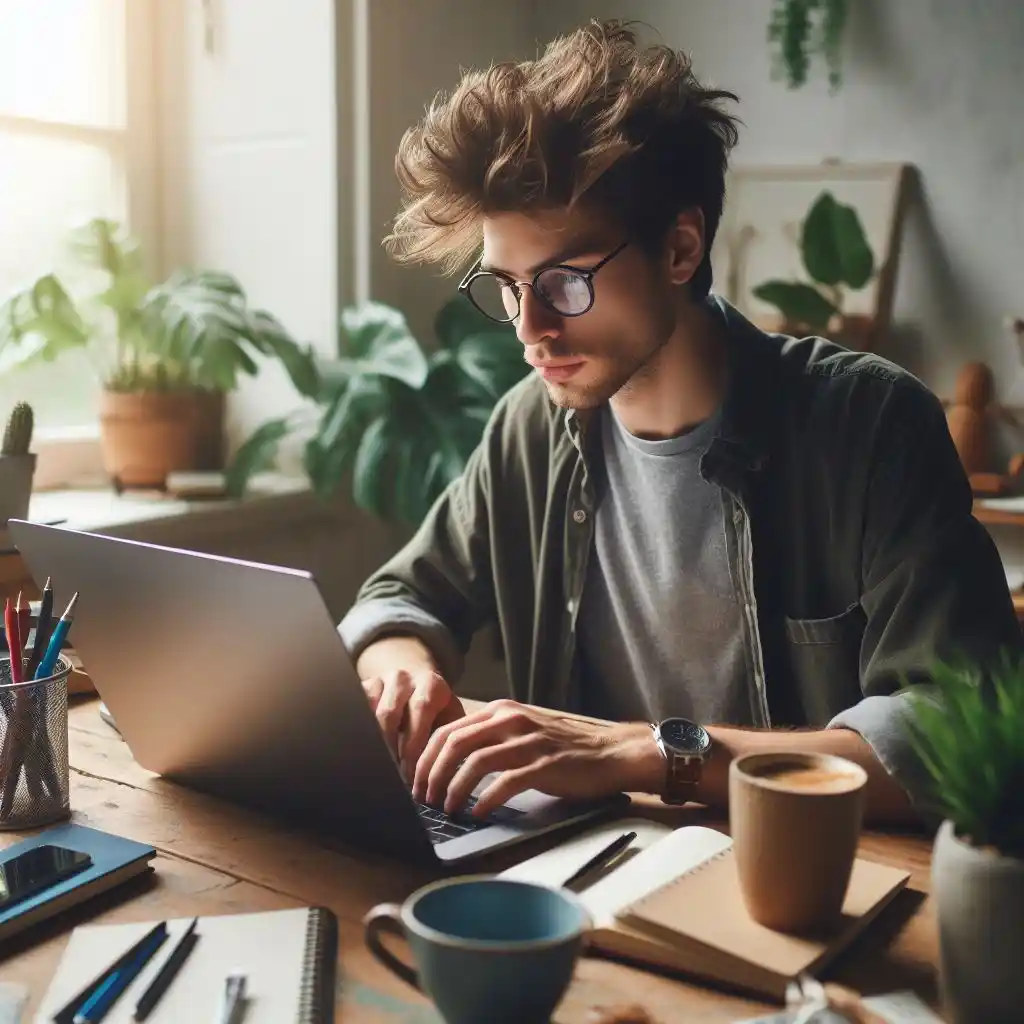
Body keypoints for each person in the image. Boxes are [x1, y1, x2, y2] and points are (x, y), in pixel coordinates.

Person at [338, 19, 1019, 826]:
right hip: (586, 877)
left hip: (804, 885)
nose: (529, 329)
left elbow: (953, 728)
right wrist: (402, 670)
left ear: (680, 250)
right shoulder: (530, 429)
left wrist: (645, 754)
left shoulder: (869, 425)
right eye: (509, 287)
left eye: (564, 282)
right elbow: (401, 598)